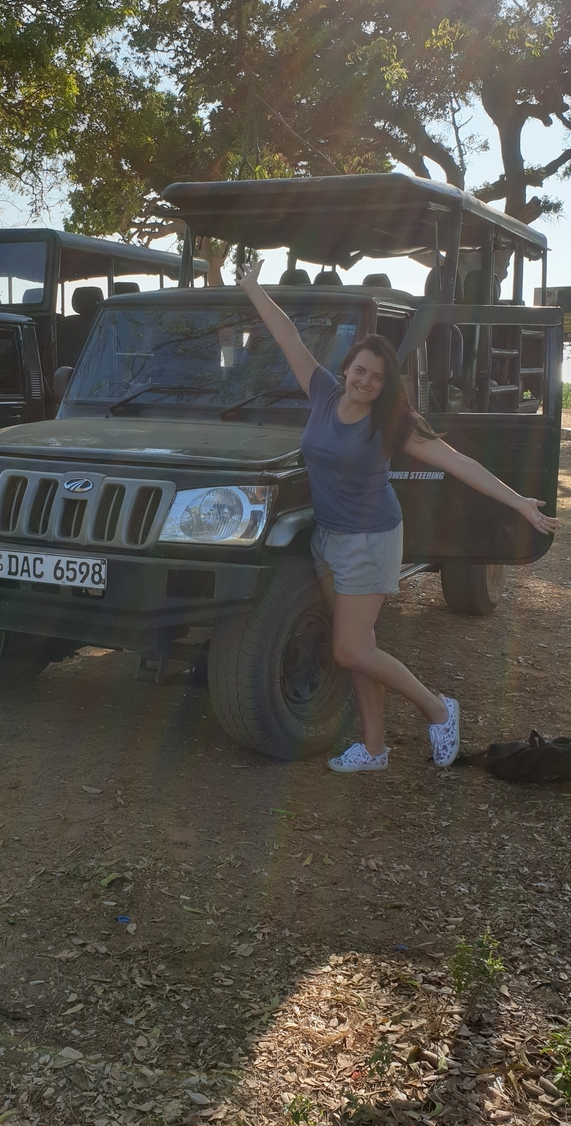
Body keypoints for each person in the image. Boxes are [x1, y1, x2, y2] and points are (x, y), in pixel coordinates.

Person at [238, 261, 557, 773]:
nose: (364, 381)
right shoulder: (321, 392)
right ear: (346, 368)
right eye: (359, 370)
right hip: (328, 538)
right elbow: (287, 335)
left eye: (376, 377)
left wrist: (517, 501)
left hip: (370, 541)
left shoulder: (393, 423)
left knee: (348, 650)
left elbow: (460, 463)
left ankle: (438, 708)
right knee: (360, 648)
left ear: (386, 384)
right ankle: (374, 747)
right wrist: (252, 286)